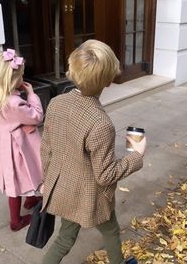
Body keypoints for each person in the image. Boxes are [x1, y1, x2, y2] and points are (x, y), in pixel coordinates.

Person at [40, 40, 146, 264]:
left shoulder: (56, 103)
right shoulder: (100, 123)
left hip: (63, 189)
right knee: (111, 231)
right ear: (107, 82)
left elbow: (46, 148)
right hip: (91, 197)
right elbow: (105, 175)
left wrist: (46, 181)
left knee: (64, 239)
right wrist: (136, 155)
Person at [0, 48, 43, 231]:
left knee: (14, 179)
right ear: (13, 80)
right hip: (18, 149)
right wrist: (31, 94)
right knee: (22, 175)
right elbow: (37, 116)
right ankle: (16, 221)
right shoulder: (15, 103)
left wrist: (14, 124)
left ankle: (31, 198)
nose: (23, 79)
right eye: (21, 76)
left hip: (1, 147)